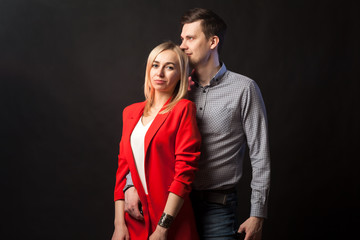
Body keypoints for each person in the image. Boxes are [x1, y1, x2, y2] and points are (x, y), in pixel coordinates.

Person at [124, 8, 271, 240]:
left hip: (218, 206)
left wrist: (258, 214)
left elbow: (260, 155)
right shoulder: (175, 88)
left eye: (190, 38)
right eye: (182, 38)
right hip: (173, 203)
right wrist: (130, 185)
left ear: (213, 41)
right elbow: (143, 138)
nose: (182, 45)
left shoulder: (244, 89)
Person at [112, 41, 201, 240]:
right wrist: (119, 225)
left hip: (170, 219)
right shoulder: (130, 112)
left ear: (181, 75)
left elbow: (184, 173)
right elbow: (122, 169)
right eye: (155, 65)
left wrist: (163, 228)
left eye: (169, 67)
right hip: (135, 219)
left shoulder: (183, 109)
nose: (159, 73)